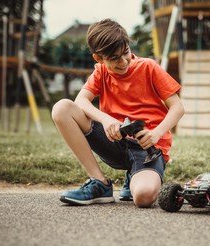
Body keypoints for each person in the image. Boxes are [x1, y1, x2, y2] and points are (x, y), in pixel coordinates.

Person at [51, 19, 184, 208]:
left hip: (146, 149)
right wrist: (105, 119)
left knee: (144, 197)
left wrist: (156, 134)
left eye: (126, 53)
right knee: (62, 108)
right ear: (99, 58)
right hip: (113, 141)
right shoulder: (101, 72)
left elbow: (178, 107)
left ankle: (134, 176)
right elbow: (80, 100)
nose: (123, 62)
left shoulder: (149, 67)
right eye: (114, 58)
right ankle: (99, 183)